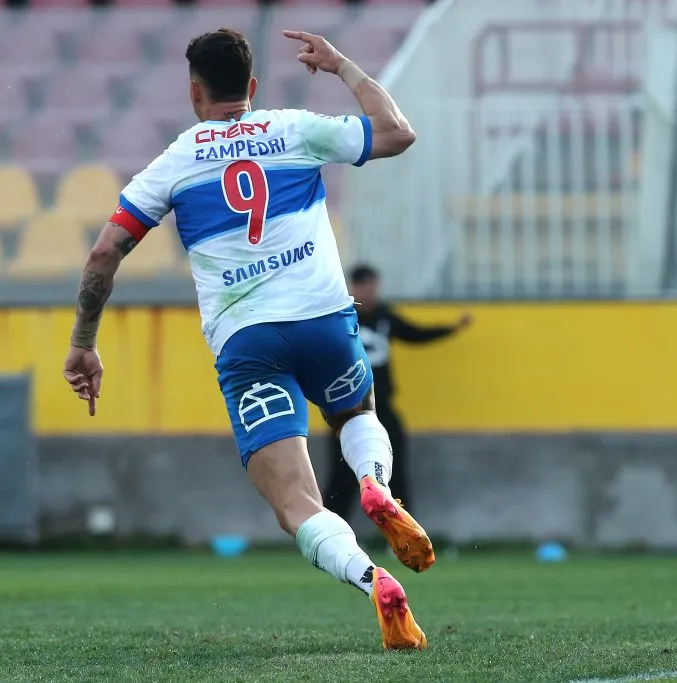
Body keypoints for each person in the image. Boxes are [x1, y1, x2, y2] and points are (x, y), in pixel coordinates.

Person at [61, 28, 432, 650]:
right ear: (252, 88)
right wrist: (341, 66)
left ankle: (375, 582)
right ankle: (375, 485)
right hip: (324, 322)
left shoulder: (177, 160)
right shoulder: (294, 129)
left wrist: (84, 340)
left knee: (294, 503)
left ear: (194, 91)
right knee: (356, 413)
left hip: (247, 342)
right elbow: (396, 132)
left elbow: (103, 255)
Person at [323, 264, 471, 519]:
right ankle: (333, 536)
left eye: (373, 287)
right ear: (353, 287)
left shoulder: (385, 317)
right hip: (347, 411)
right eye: (364, 286)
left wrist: (452, 328)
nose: (369, 292)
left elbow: (415, 334)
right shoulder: (340, 318)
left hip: (383, 409)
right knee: (342, 476)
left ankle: (404, 534)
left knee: (395, 470)